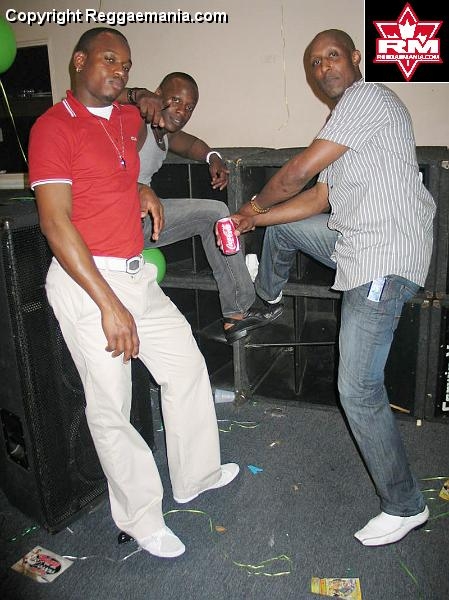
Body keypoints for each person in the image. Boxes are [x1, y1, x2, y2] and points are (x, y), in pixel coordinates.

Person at [28, 27, 239, 559]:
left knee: (186, 366)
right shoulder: (52, 127)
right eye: (109, 59)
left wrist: (140, 188)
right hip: (88, 282)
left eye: (125, 64)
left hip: (135, 272)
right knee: (112, 407)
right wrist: (108, 304)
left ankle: (195, 475)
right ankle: (141, 518)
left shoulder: (125, 121)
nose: (119, 71)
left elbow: (118, 166)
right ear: (79, 62)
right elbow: (55, 223)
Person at [230, 29, 435, 546]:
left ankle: (406, 505)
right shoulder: (340, 125)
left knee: (358, 390)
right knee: (284, 229)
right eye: (315, 62)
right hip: (354, 241)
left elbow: (296, 173)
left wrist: (251, 206)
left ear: (355, 58)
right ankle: (268, 300)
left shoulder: (368, 97)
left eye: (332, 56)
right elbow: (317, 200)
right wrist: (258, 222)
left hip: (383, 256)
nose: (324, 67)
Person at [127, 72, 276, 343]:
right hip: (120, 222)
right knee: (215, 214)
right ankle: (239, 309)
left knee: (215, 216)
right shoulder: (136, 121)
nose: (182, 111)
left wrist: (213, 158)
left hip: (144, 220)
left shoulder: (163, 132)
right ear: (158, 93)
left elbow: (192, 145)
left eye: (189, 107)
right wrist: (135, 95)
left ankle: (237, 313)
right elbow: (99, 100)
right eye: (175, 100)